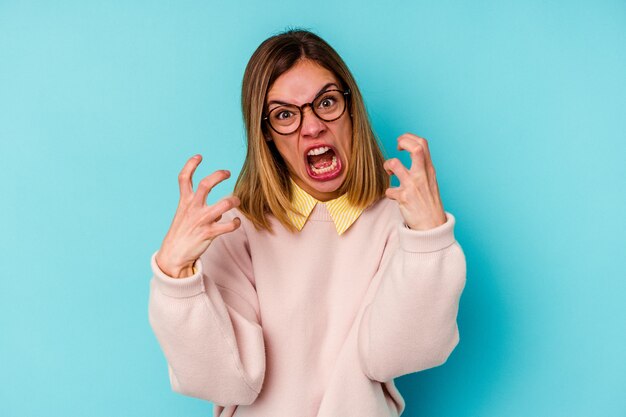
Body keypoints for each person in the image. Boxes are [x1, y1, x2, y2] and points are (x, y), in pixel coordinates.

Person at [148, 29, 466, 417]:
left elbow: (394, 355)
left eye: (326, 102)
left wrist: (428, 241)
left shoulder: (399, 220)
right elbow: (229, 382)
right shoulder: (236, 229)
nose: (312, 126)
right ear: (265, 133)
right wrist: (175, 276)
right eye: (285, 114)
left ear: (351, 109)